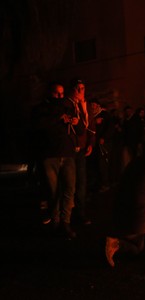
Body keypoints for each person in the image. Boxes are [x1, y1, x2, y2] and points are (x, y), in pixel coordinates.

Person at [31, 82, 79, 239]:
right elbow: (38, 125)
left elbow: (78, 128)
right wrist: (58, 118)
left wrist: (75, 122)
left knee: (69, 189)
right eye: (57, 93)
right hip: (50, 154)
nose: (60, 96)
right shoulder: (41, 109)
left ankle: (66, 222)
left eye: (62, 93)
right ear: (50, 93)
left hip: (67, 153)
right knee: (53, 191)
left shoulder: (67, 106)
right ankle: (56, 221)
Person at [66, 78, 96, 225]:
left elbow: (90, 126)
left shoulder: (86, 106)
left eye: (82, 88)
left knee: (82, 182)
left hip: (81, 149)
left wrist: (90, 143)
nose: (80, 91)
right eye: (77, 88)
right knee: (69, 182)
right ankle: (66, 214)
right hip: (69, 150)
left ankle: (80, 212)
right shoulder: (67, 104)